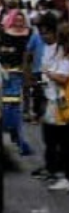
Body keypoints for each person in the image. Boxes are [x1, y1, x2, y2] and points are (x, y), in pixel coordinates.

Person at [0, 10, 33, 157]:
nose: (19, 22)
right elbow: (0, 52)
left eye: (21, 19)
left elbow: (32, 53)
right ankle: (15, 136)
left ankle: (17, 137)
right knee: (8, 105)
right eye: (16, 19)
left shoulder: (29, 34)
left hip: (21, 73)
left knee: (16, 106)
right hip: (6, 73)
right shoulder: (5, 33)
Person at [39, 20, 69, 191]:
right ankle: (56, 169)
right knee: (53, 136)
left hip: (62, 102)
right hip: (56, 100)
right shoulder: (61, 54)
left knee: (62, 139)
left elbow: (63, 78)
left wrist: (48, 73)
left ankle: (64, 175)